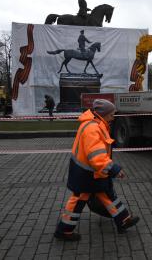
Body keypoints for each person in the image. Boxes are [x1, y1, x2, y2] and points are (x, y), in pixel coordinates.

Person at [54, 99, 139, 241]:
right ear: (104, 114)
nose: (113, 117)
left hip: (90, 172)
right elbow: (96, 156)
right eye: (112, 114)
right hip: (86, 174)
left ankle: (124, 220)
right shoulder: (93, 129)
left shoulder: (95, 124)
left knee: (106, 195)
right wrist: (114, 169)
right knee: (79, 200)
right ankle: (64, 230)